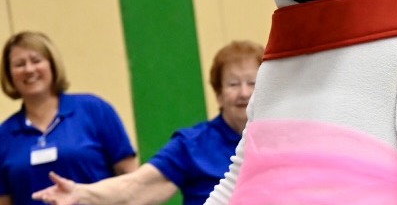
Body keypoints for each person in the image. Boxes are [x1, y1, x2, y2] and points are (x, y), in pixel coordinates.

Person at [31, 40, 263, 205]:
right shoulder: (192, 144)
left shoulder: (282, 136)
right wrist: (81, 193)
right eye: (233, 84)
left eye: (252, 83)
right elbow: (137, 187)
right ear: (218, 94)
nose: (244, 93)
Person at [0, 31, 138, 205]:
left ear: (52, 65)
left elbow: (131, 180)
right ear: (9, 75)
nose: (29, 69)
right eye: (19, 64)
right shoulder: (3, 136)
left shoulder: (94, 110)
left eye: (36, 60)